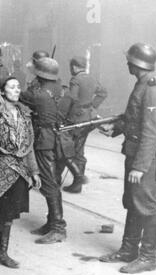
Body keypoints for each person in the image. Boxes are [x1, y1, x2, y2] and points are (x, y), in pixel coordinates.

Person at [99, 43, 156, 274]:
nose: (126, 63)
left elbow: (153, 131)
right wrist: (117, 127)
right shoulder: (142, 84)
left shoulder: (152, 88)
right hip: (136, 153)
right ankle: (129, 250)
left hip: (147, 159)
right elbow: (135, 119)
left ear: (136, 63)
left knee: (146, 205)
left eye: (129, 60)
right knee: (133, 201)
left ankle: (148, 257)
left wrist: (140, 166)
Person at [0, 76, 41, 272]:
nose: (17, 90)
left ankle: (2, 253)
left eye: (18, 86)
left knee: (9, 214)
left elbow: (29, 147)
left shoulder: (25, 114)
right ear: (2, 91)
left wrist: (34, 171)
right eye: (12, 87)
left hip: (19, 171)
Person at [20, 57, 79, 244]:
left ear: (39, 74)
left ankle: (58, 228)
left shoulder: (37, 94)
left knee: (49, 183)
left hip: (44, 141)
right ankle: (52, 222)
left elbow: (20, 95)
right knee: (53, 181)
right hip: (59, 140)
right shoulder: (62, 90)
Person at [63, 56, 108, 193]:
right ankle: (78, 183)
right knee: (80, 149)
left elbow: (73, 98)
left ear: (75, 67)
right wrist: (92, 107)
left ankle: (77, 180)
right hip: (88, 118)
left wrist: (65, 114)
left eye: (71, 67)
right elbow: (103, 93)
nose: (71, 69)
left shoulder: (76, 80)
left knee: (66, 148)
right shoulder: (92, 78)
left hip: (76, 119)